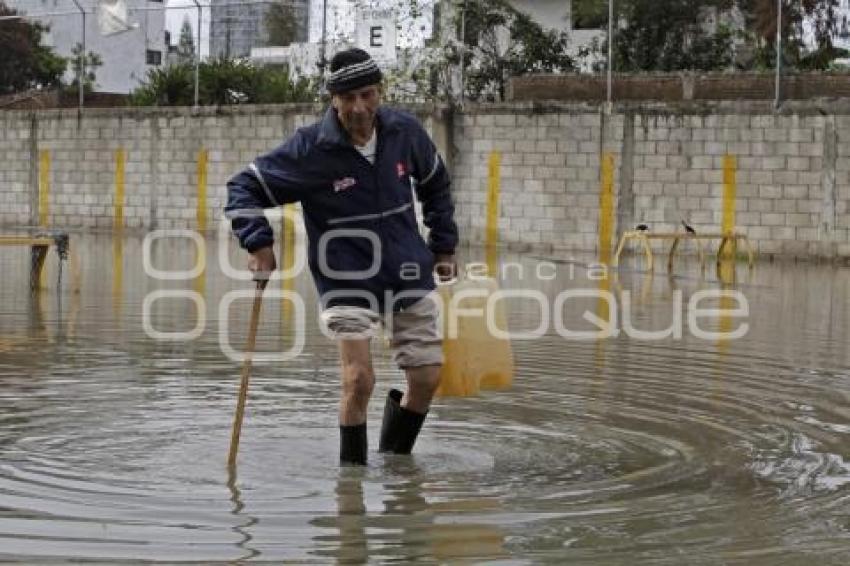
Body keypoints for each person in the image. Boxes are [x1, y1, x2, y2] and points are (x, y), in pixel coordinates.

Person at [224, 48, 458, 466]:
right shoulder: (311, 149)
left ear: (379, 92)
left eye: (366, 95)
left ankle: (393, 464)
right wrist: (258, 242)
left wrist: (443, 246)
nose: (358, 108)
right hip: (346, 276)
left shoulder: (404, 132)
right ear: (333, 99)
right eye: (347, 98)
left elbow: (436, 184)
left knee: (426, 377)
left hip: (406, 268)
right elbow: (242, 188)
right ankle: (351, 486)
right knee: (358, 379)